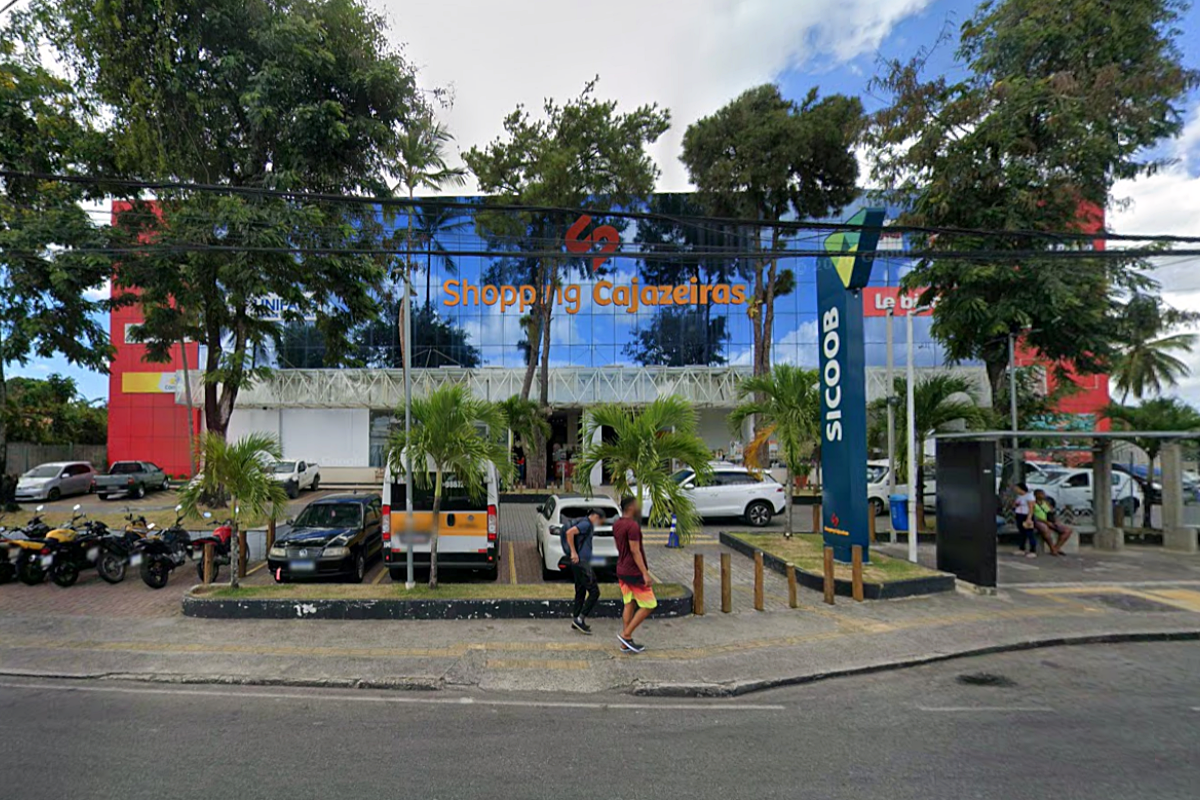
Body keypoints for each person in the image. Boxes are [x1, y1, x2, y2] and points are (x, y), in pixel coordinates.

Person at [613, 495, 655, 654]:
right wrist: (645, 573)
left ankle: (626, 643)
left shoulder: (617, 524)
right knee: (649, 605)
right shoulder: (632, 526)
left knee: (629, 603)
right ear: (630, 507)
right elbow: (635, 550)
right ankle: (626, 634)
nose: (639, 507)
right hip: (633, 571)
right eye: (636, 505)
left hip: (622, 569)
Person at [562, 509, 603, 635]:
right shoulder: (586, 524)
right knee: (594, 592)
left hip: (579, 563)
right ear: (595, 516)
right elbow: (570, 532)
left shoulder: (586, 524)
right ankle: (580, 618)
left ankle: (576, 618)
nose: (599, 522)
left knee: (580, 590)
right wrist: (573, 552)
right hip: (582, 563)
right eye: (599, 519)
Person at [1032, 489, 1073, 556]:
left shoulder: (1046, 503)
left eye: (1043, 494)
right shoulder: (1033, 504)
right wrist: (1046, 522)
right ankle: (1052, 548)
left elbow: (1051, 513)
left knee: (1067, 530)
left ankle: (1057, 547)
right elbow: (1034, 517)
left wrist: (1055, 521)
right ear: (1036, 495)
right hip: (1039, 521)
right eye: (1041, 494)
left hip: (1049, 521)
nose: (1043, 495)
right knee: (1045, 529)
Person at [1013, 481, 1038, 557]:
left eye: (1017, 488)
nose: (1016, 490)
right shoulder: (1019, 496)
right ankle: (1022, 548)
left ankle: (1033, 550)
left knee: (1029, 533)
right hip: (1019, 514)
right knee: (1022, 533)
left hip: (1026, 515)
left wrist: (1029, 518)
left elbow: (1031, 508)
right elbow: (1015, 504)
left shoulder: (1029, 496)